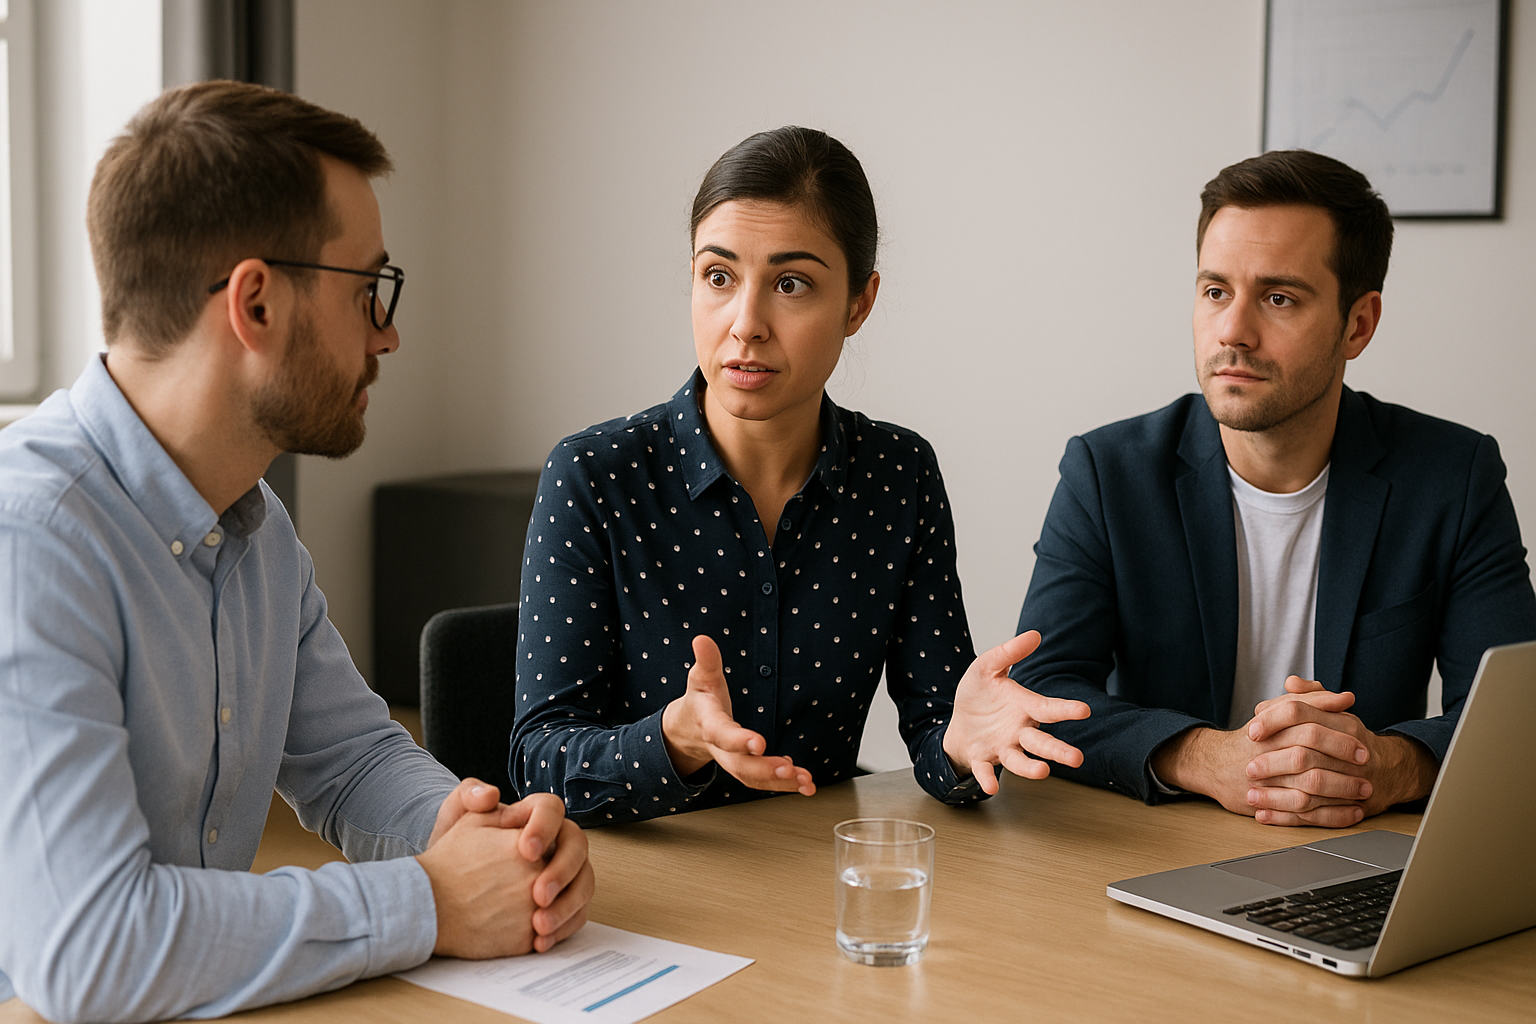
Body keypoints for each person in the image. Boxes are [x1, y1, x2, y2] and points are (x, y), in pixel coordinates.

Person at [0, 81, 593, 1024]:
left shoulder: (254, 522)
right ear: (258, 303)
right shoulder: (30, 540)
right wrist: (432, 901)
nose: (388, 335)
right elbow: (91, 950)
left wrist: (481, 837)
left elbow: (351, 760)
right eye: (370, 292)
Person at [511, 127, 1090, 825]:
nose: (746, 323)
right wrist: (674, 740)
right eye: (718, 277)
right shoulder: (595, 475)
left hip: (817, 875)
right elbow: (539, 759)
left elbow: (940, 735)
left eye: (791, 284)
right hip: (639, 891)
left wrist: (964, 747)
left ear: (858, 303)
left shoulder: (899, 475)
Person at [1012, 149, 1536, 829]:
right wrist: (1205, 758)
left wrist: (1389, 766)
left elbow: (1512, 719)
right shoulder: (1109, 473)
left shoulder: (1452, 476)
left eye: (1278, 297)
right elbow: (1040, 692)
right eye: (1215, 291)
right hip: (1154, 845)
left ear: (1358, 324)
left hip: (1358, 848)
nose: (1233, 331)